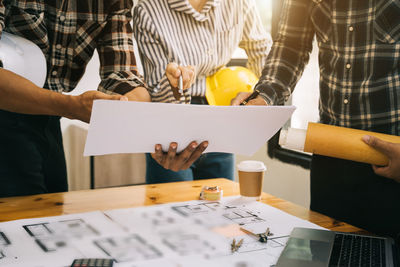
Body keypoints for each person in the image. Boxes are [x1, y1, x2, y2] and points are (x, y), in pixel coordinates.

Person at [0, 0, 205, 198]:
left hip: (49, 118)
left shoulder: (114, 2)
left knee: (50, 213)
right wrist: (71, 106)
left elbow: (124, 76)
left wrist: (151, 136)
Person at [232, 0, 400, 240]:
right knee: (324, 250)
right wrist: (265, 97)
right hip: (330, 150)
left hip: (391, 154)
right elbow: (291, 46)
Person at [133, 0, 271, 183]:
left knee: (220, 201)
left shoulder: (239, 3)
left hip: (221, 112)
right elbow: (157, 87)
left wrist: (259, 94)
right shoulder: (148, 10)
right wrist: (174, 84)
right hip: (171, 113)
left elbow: (262, 51)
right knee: (172, 204)